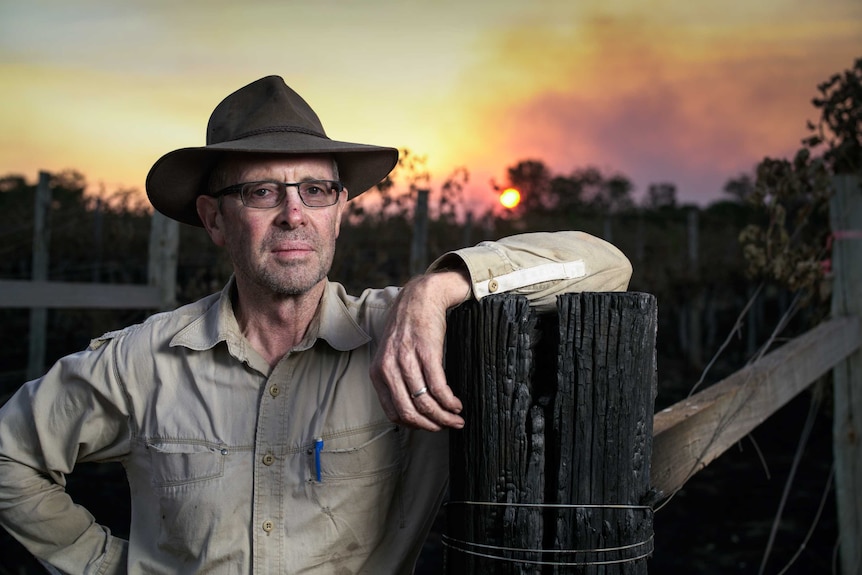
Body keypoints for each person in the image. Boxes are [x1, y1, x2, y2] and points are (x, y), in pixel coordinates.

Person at [0, 76, 632, 574]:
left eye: (316, 191)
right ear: (215, 220)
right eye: (261, 192)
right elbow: (8, 455)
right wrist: (109, 567)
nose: (294, 215)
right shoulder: (145, 360)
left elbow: (606, 265)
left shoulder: (402, 336)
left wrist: (437, 289)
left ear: (339, 214)